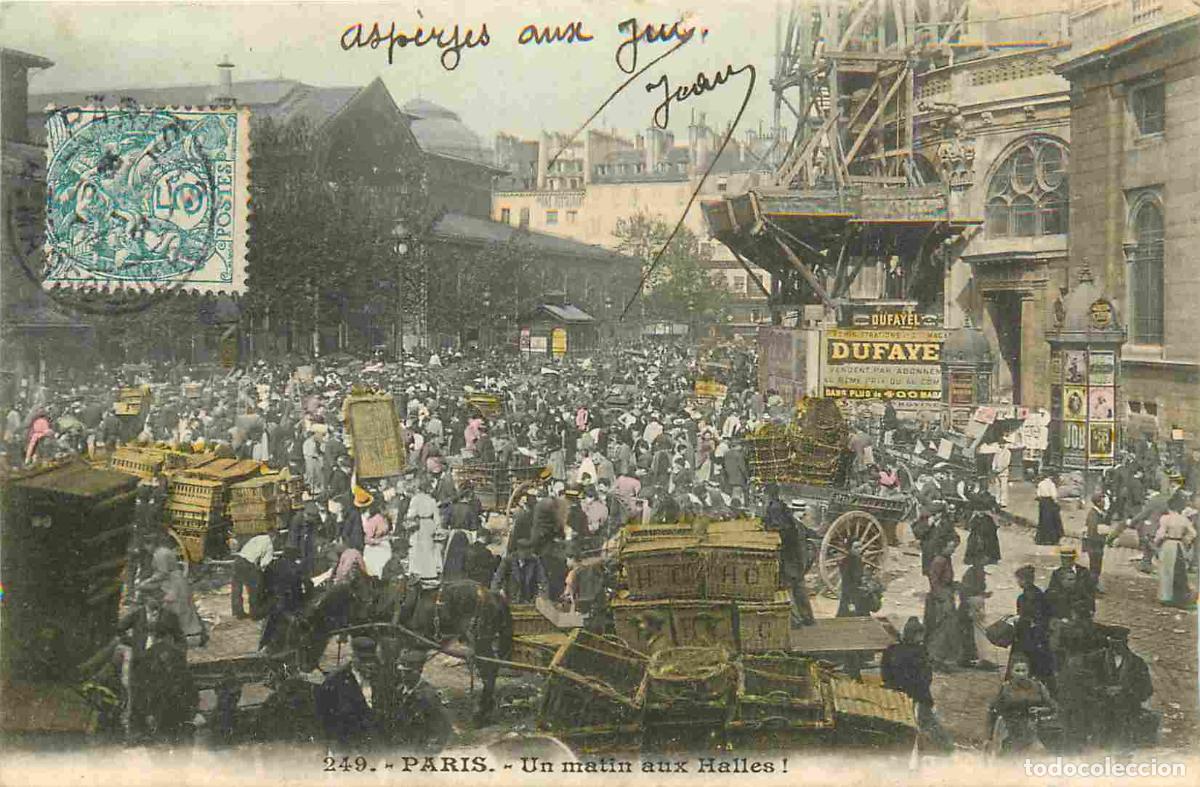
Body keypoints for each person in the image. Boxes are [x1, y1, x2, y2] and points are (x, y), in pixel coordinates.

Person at [881, 617, 952, 752]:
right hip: (917, 695)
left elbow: (885, 674)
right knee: (929, 723)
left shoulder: (891, 650)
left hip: (895, 693)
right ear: (917, 635)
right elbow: (926, 677)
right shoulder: (920, 652)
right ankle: (947, 749)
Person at [315, 636, 392, 746]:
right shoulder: (336, 682)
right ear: (353, 659)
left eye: (372, 660)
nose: (369, 665)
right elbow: (324, 717)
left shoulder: (382, 679)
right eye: (364, 660)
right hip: (346, 745)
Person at [763, 483, 815, 626]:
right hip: (796, 551)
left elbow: (778, 529)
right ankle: (807, 618)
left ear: (768, 494)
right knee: (798, 584)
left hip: (788, 551)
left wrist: (767, 529)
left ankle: (795, 621)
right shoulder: (782, 506)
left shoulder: (774, 508)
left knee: (786, 586)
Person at [1097, 628, 1154, 750]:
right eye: (1112, 642)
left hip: (1127, 715)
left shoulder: (1137, 663)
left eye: (1118, 642)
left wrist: (1124, 690)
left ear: (1126, 642)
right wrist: (1103, 690)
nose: (1115, 646)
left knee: (1123, 752)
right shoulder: (1096, 660)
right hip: (1100, 715)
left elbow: (1146, 689)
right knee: (1100, 753)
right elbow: (1086, 682)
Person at [987, 656, 1056, 754]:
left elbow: (1052, 707)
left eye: (1024, 670)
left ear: (1028, 672)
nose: (1021, 674)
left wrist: (1040, 710)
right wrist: (991, 736)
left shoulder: (1038, 686)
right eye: (1017, 670)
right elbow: (993, 710)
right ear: (1011, 672)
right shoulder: (1006, 688)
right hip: (1009, 730)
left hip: (1031, 729)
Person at [1010, 565, 1055, 688]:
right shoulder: (1036, 594)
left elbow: (1033, 616)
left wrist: (1019, 620)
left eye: (1019, 579)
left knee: (1030, 660)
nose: (1018, 582)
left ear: (1025, 580)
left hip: (1031, 635)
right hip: (1035, 634)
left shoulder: (1027, 597)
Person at [924, 539, 961, 670]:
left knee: (948, 629)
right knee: (940, 629)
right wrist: (942, 599)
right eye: (950, 547)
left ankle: (942, 658)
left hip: (946, 595)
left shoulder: (946, 559)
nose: (953, 550)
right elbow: (934, 581)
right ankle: (935, 659)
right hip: (940, 599)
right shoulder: (939, 561)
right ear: (943, 547)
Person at [1153, 499, 1196, 607]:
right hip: (1179, 544)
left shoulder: (1165, 518)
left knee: (1166, 570)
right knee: (1179, 569)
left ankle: (1166, 596)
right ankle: (1178, 596)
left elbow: (1161, 533)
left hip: (1168, 544)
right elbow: (1193, 533)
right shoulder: (1184, 519)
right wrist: (1185, 540)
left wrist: (1157, 542)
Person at [405, 479, 445, 584]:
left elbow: (411, 514)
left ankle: (418, 571)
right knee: (429, 548)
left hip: (420, 523)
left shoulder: (415, 499)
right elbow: (437, 516)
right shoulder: (431, 500)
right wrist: (437, 527)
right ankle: (429, 572)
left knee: (417, 548)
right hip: (429, 523)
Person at [231, 530, 275, 620]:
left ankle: (238, 612)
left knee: (237, 588)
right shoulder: (270, 544)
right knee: (254, 588)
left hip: (238, 560)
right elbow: (264, 564)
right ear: (274, 536)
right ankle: (255, 614)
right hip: (248, 564)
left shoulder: (256, 538)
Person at [491, 538, 549, 603]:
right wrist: (500, 592)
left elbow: (543, 581)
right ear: (518, 551)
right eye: (526, 552)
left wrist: (541, 596)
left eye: (530, 552)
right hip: (510, 600)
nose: (529, 555)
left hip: (530, 600)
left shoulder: (535, 561)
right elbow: (496, 580)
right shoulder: (507, 561)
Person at [1046, 545, 1096, 620]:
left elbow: (1090, 592)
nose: (1064, 561)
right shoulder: (1056, 573)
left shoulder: (1083, 572)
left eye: (1067, 559)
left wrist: (1091, 609)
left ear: (1072, 559)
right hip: (1063, 608)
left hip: (1080, 608)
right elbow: (1052, 591)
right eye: (1062, 558)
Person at [1082, 491, 1108, 593]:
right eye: (1103, 500)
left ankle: (1094, 585)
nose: (1104, 502)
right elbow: (1093, 531)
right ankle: (1092, 587)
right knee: (1095, 566)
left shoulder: (1098, 513)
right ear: (1098, 502)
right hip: (1095, 544)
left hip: (1097, 544)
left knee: (1097, 566)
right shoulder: (1094, 515)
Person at [1035, 473, 1063, 545]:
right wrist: (1057, 503)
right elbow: (1054, 496)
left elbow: (1038, 495)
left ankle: (1042, 539)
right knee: (1052, 521)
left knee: (1043, 521)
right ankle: (1052, 539)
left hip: (1042, 503)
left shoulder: (1040, 484)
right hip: (1050, 503)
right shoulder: (1051, 485)